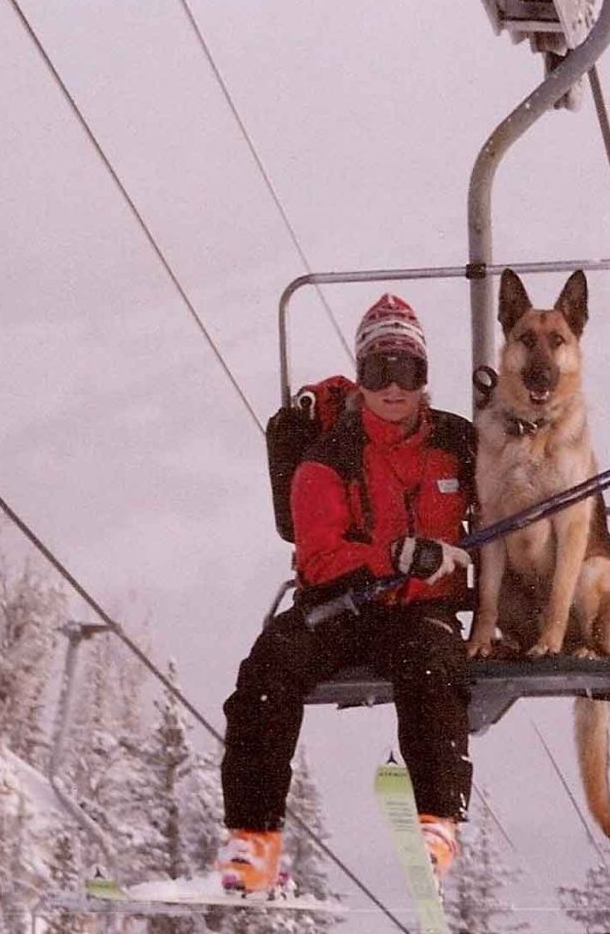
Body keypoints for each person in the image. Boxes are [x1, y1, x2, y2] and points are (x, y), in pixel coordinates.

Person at [219, 293, 476, 895]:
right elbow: (318, 554)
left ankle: (436, 823)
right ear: (360, 377)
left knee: (432, 670)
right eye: (378, 371)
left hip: (419, 609)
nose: (394, 387)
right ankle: (253, 841)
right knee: (268, 671)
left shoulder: (458, 444)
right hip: (339, 606)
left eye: (407, 369)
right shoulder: (328, 454)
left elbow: (511, 495)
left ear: (425, 376)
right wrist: (391, 556)